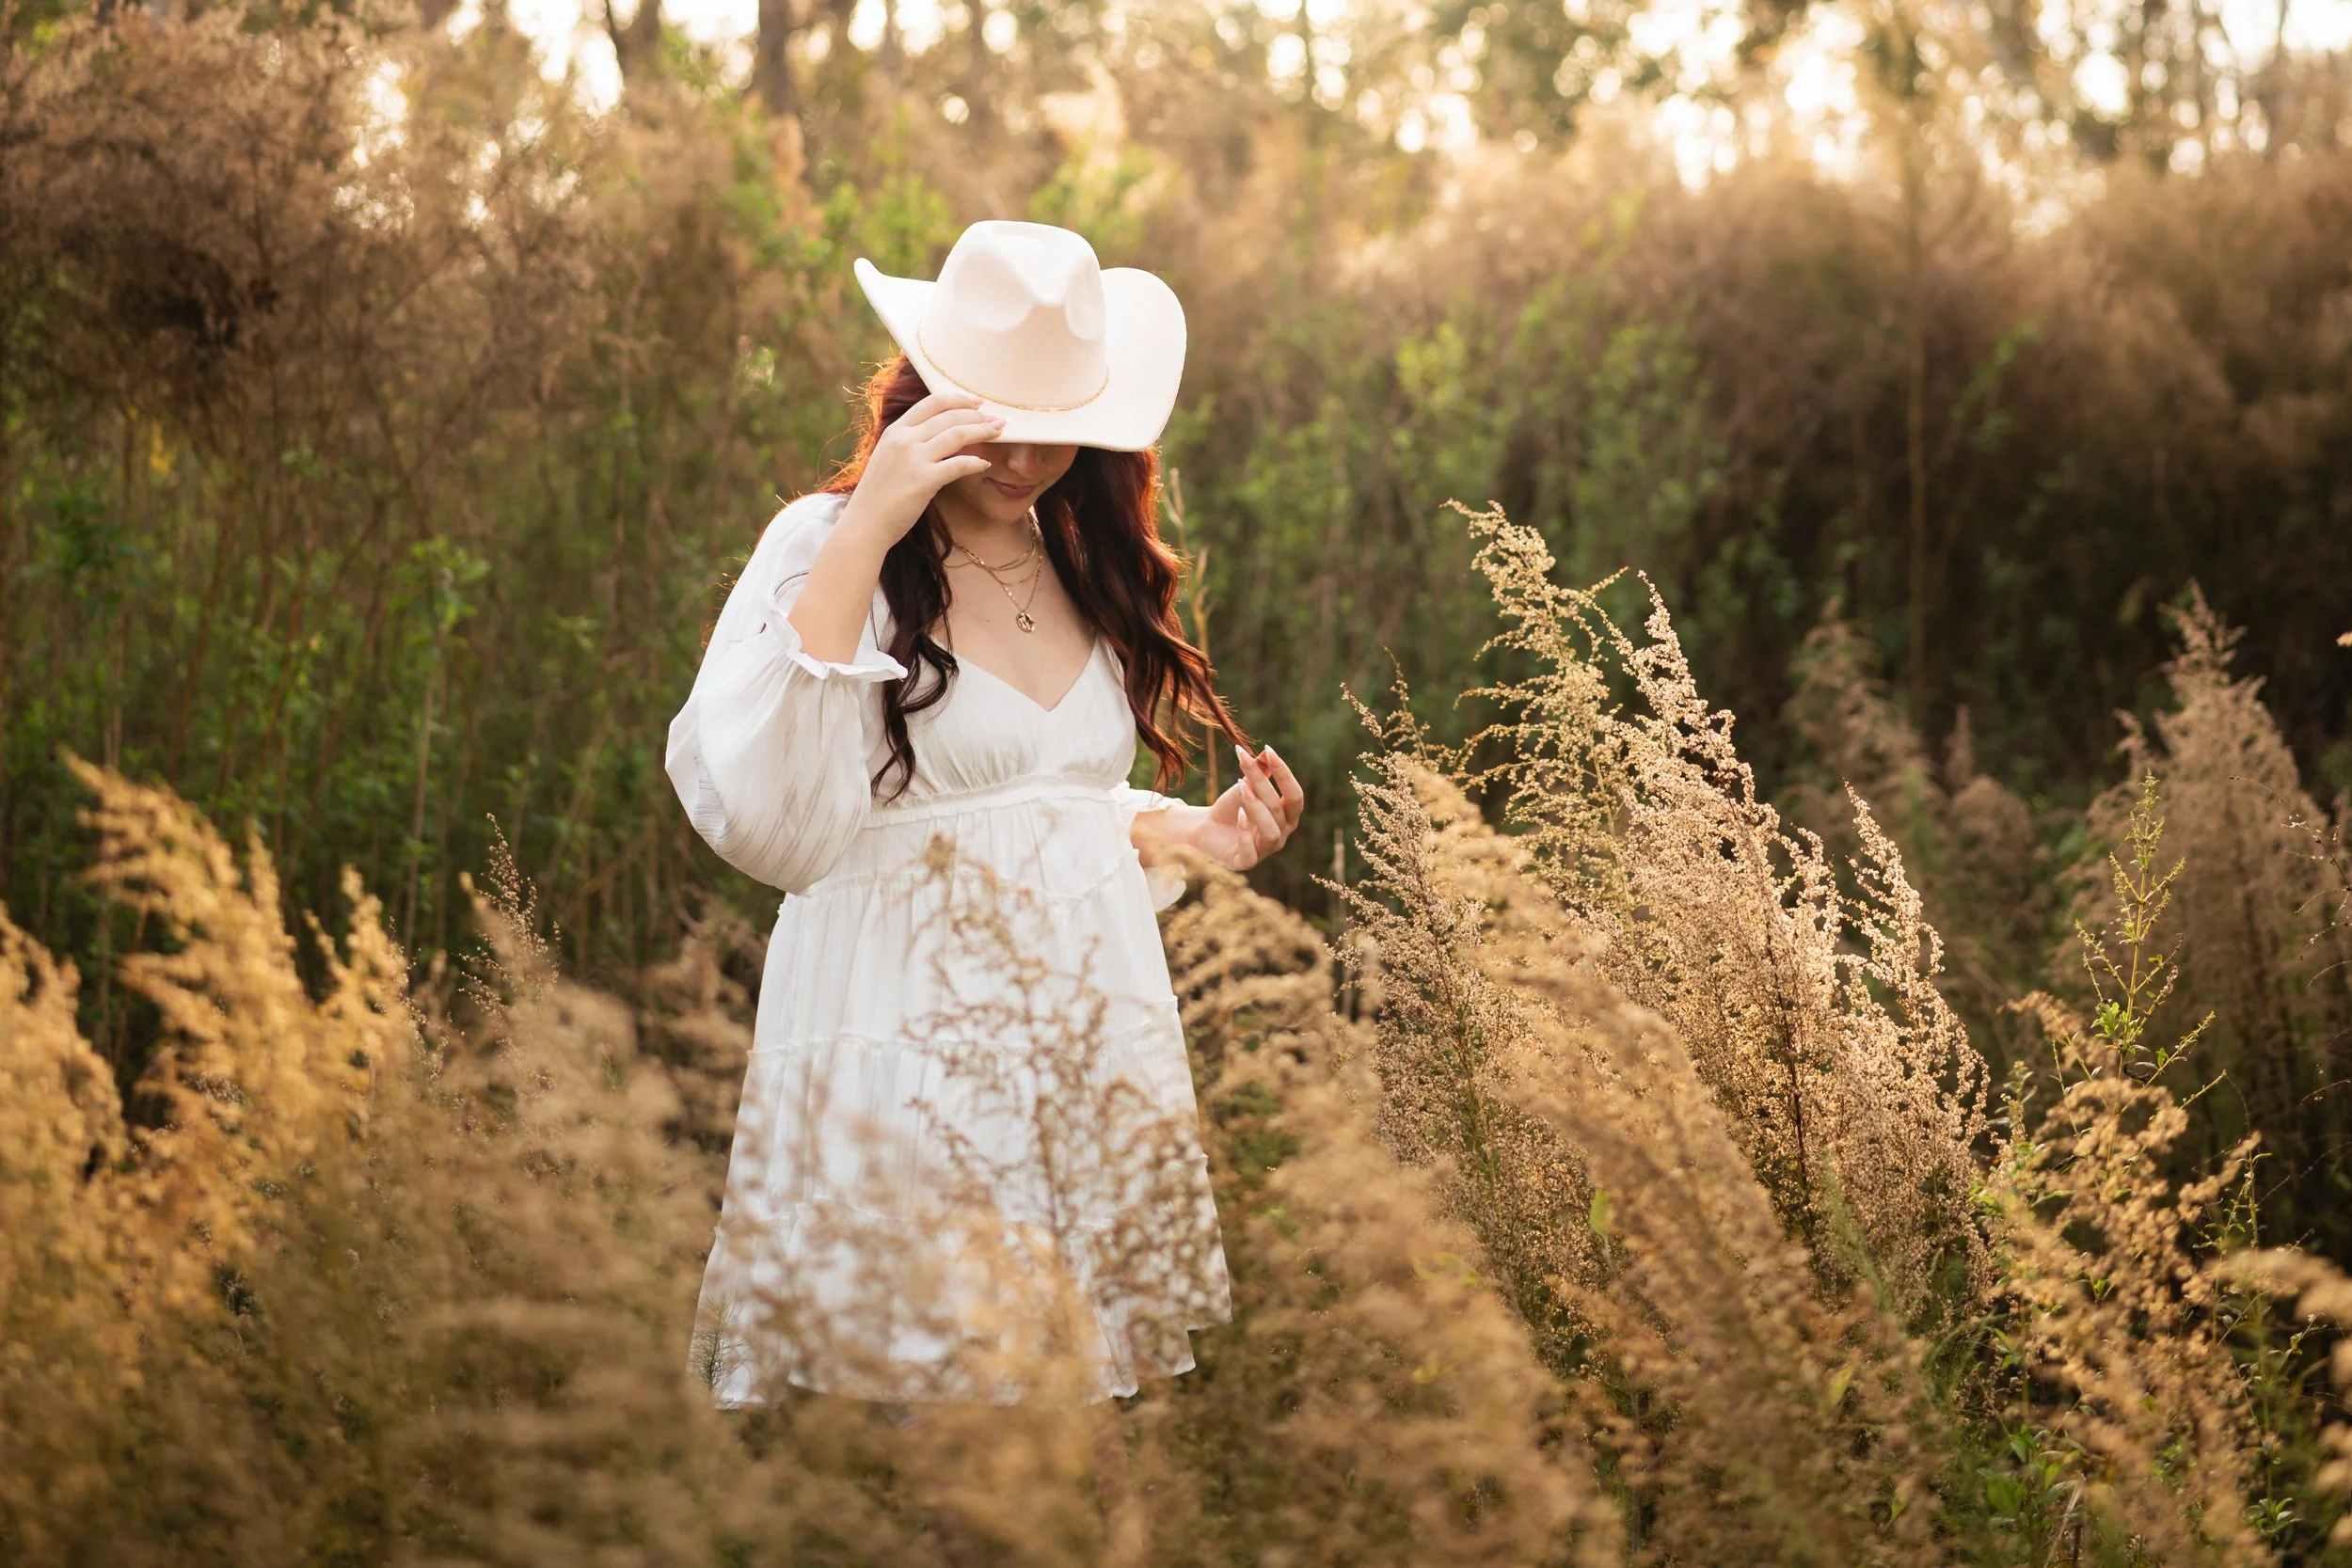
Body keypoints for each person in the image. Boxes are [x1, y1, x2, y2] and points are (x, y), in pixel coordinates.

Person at [667, 219, 1304, 1408]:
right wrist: (870, 522)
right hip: (913, 1025)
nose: (1026, 458)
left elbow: (1045, 807)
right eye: (999, 421)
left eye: (1060, 426)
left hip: (1081, 1028)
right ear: (931, 395)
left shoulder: (1072, 553)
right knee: (947, 1447)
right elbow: (776, 816)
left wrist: (1193, 836)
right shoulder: (826, 541)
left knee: (1089, 1444)